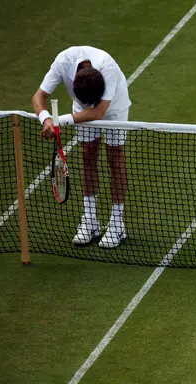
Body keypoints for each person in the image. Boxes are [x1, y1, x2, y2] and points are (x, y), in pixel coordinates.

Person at [32, 45, 131, 248]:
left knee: (115, 157)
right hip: (81, 111)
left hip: (113, 109)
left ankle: (116, 224)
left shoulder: (108, 67)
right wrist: (45, 119)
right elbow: (38, 97)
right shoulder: (63, 61)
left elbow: (97, 113)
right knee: (87, 157)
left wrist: (58, 121)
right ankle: (90, 220)